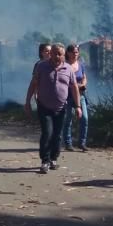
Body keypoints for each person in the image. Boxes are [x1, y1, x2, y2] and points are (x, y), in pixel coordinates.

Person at [24, 43, 81, 174]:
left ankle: (53, 159)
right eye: (54, 53)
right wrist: (27, 101)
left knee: (57, 135)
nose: (56, 56)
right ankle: (45, 161)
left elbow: (74, 88)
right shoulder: (42, 67)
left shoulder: (68, 69)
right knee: (47, 133)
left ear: (63, 55)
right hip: (44, 106)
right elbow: (33, 84)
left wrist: (78, 106)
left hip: (61, 108)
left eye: (59, 54)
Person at [62, 44, 90, 152]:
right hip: (67, 96)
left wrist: (83, 84)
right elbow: (63, 81)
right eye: (73, 52)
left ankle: (82, 143)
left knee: (85, 118)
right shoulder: (64, 65)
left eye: (77, 52)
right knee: (68, 120)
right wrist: (75, 86)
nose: (75, 54)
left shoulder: (81, 65)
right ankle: (68, 143)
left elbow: (84, 77)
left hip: (81, 95)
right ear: (68, 53)